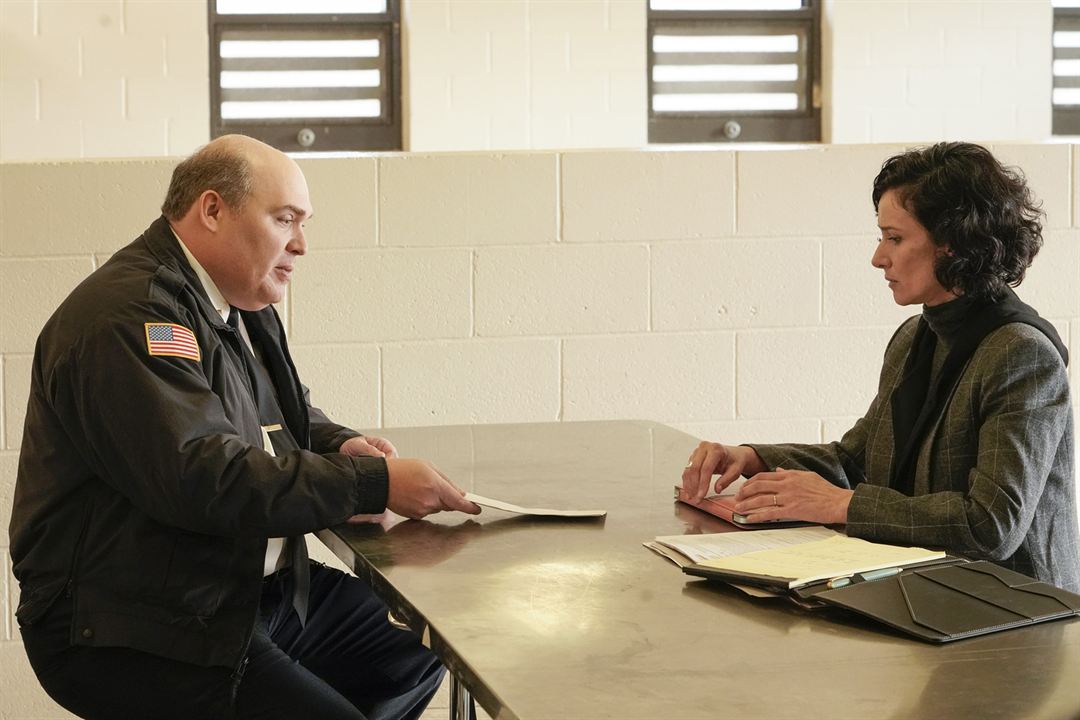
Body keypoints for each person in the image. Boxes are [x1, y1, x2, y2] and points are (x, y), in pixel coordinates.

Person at [9, 134, 482, 719]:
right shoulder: (132, 315)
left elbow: (282, 415)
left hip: (235, 593)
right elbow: (203, 475)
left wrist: (341, 445)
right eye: (285, 219)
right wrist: (370, 484)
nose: (301, 245)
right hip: (131, 623)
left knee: (420, 643)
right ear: (212, 210)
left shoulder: (231, 303)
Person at [682, 142, 1079, 592]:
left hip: (1021, 615)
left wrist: (842, 506)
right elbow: (859, 460)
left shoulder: (1020, 355)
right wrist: (752, 458)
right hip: (935, 594)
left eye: (895, 238)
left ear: (951, 245)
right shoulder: (915, 336)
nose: (878, 257)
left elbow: (990, 525)